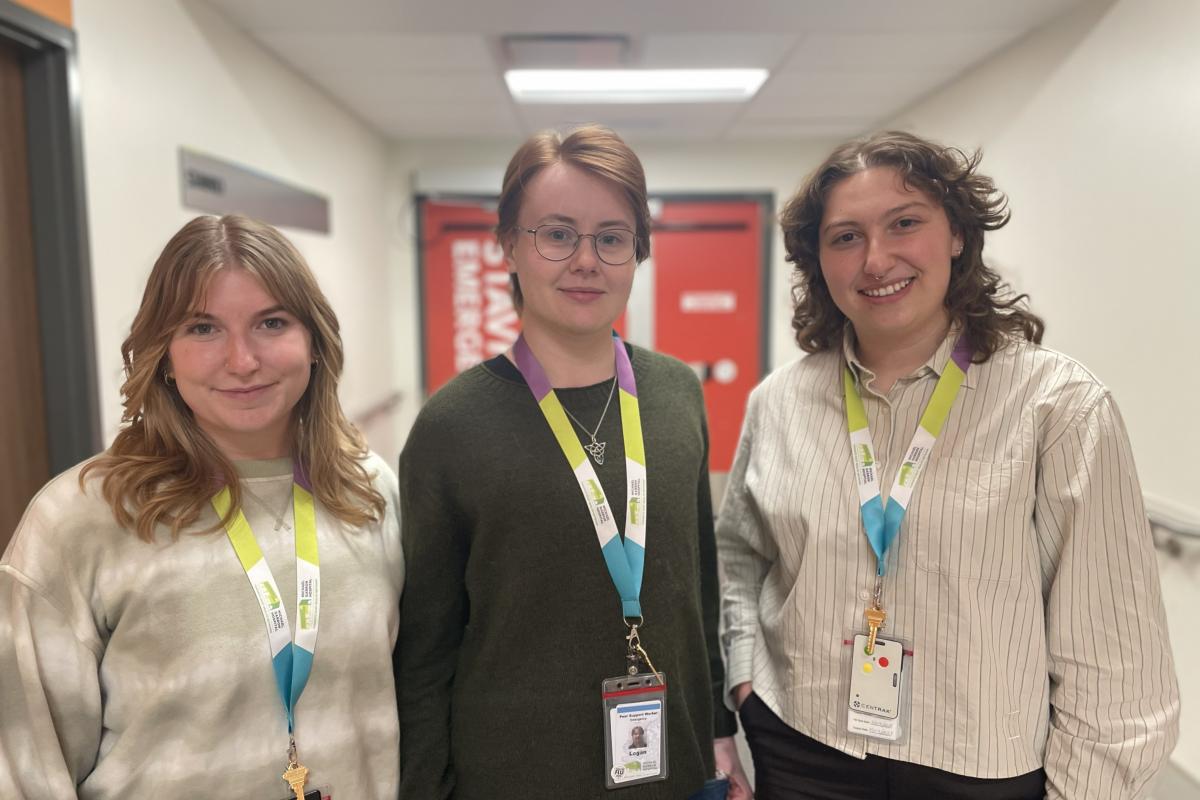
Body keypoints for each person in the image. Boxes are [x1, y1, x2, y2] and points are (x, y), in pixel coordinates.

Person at [718, 131, 1179, 799]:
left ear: (958, 234)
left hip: (975, 764)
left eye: (904, 223)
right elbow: (739, 556)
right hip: (801, 743)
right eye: (845, 237)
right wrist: (745, 678)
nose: (877, 260)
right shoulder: (779, 402)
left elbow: (1114, 654)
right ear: (818, 259)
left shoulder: (1058, 407)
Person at [396, 124, 749, 799]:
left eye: (611, 238)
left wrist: (717, 732)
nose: (586, 261)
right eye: (556, 234)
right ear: (508, 245)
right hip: (513, 776)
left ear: (638, 253)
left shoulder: (677, 394)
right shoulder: (450, 428)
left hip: (667, 767)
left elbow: (696, 584)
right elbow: (424, 657)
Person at [0, 215, 403, 799]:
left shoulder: (368, 492)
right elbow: (23, 764)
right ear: (163, 354)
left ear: (314, 342)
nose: (242, 361)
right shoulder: (83, 519)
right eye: (203, 328)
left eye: (271, 322)